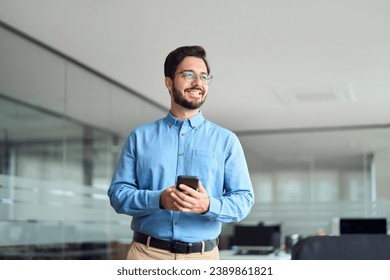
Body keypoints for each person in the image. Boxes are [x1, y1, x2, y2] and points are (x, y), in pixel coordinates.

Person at [108, 45, 254, 260]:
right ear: (169, 82)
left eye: (204, 77)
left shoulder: (227, 141)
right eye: (189, 75)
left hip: (203, 258)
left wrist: (208, 205)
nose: (198, 83)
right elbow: (118, 195)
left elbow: (244, 200)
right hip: (147, 256)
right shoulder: (139, 137)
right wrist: (158, 200)